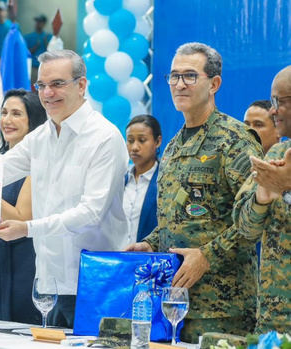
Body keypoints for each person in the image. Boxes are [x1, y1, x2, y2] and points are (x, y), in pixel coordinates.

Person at [125, 42, 261, 342]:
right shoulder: (173, 147)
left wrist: (207, 256)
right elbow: (178, 222)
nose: (179, 85)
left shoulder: (235, 140)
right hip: (172, 303)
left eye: (189, 76)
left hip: (223, 309)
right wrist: (149, 243)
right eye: (174, 76)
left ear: (214, 83)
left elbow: (255, 219)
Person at [0, 50, 129, 328]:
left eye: (58, 84)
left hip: (93, 283)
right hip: (48, 284)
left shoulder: (104, 138)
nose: (48, 93)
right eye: (41, 85)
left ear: (82, 85)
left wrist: (26, 228)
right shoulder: (40, 138)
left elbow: (90, 213)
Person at [0, 89, 46, 324]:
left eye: (16, 114)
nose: (7, 120)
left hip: (24, 258)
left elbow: (22, 216)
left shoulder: (36, 163)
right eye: (4, 112)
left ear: (34, 120)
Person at [233, 65, 291, 334]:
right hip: (272, 322)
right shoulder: (277, 153)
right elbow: (244, 229)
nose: (273, 110)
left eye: (279, 101)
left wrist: (287, 192)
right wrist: (262, 196)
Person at [123, 115, 162, 246]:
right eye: (130, 140)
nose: (134, 147)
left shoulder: (166, 179)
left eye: (142, 140)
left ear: (157, 142)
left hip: (151, 260)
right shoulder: (120, 179)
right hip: (118, 258)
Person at [24, 14, 51, 84]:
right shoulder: (28, 37)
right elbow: (25, 54)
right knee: (32, 89)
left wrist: (45, 42)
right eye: (37, 22)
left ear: (44, 24)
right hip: (32, 68)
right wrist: (36, 46)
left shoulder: (48, 37)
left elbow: (51, 53)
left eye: (40, 22)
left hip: (44, 68)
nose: (38, 24)